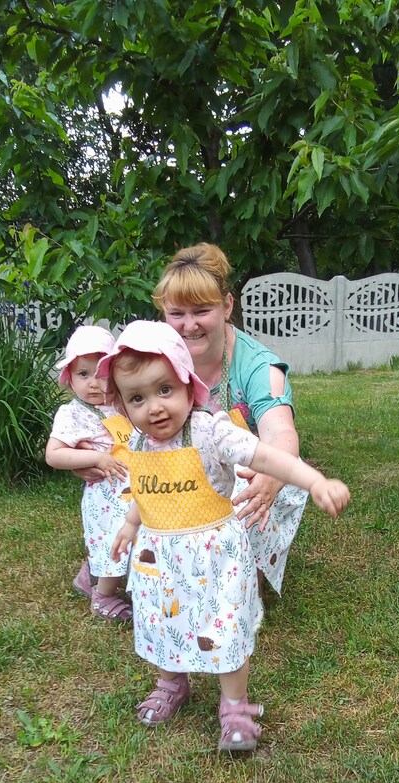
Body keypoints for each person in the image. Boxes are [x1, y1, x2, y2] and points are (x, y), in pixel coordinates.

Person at [101, 320, 349, 751]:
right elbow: (147, 487)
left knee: (225, 629)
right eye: (137, 398)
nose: (154, 408)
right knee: (164, 623)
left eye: (164, 390)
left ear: (186, 383)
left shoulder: (209, 430)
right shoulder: (139, 444)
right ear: (123, 405)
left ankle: (234, 705)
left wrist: (313, 481)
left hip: (214, 558)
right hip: (160, 561)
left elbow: (267, 455)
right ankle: (171, 682)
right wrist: (129, 523)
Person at [153, 242, 308, 595]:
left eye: (201, 310)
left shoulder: (259, 366)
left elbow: (281, 432)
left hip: (240, 466)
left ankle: (238, 579)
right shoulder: (158, 357)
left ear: (226, 306)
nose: (188, 325)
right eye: (177, 313)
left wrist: (270, 476)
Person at [45, 325, 133, 622]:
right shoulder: (72, 413)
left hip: (134, 484)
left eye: (101, 374)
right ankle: (104, 596)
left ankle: (89, 576)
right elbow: (54, 454)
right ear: (69, 379)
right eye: (84, 374)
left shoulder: (123, 404)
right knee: (114, 539)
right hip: (107, 495)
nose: (94, 383)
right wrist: (94, 456)